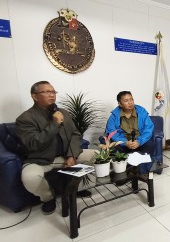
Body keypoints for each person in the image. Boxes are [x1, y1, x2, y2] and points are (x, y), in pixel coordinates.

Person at [16, 81, 95, 215]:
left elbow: (75, 134)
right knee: (30, 177)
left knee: (94, 154)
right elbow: (33, 144)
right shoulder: (25, 118)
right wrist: (54, 123)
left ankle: (74, 189)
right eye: (46, 92)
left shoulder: (63, 112)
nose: (52, 95)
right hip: (40, 160)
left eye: (53, 92)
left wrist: (72, 155)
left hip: (64, 156)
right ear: (34, 96)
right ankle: (48, 198)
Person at [105, 91, 155, 172]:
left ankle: (143, 172)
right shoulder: (114, 115)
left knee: (150, 144)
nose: (130, 102)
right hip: (123, 142)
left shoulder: (141, 112)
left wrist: (139, 141)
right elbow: (111, 132)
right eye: (126, 101)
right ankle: (123, 174)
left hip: (140, 140)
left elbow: (149, 128)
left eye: (131, 99)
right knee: (114, 149)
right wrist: (125, 143)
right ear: (120, 104)